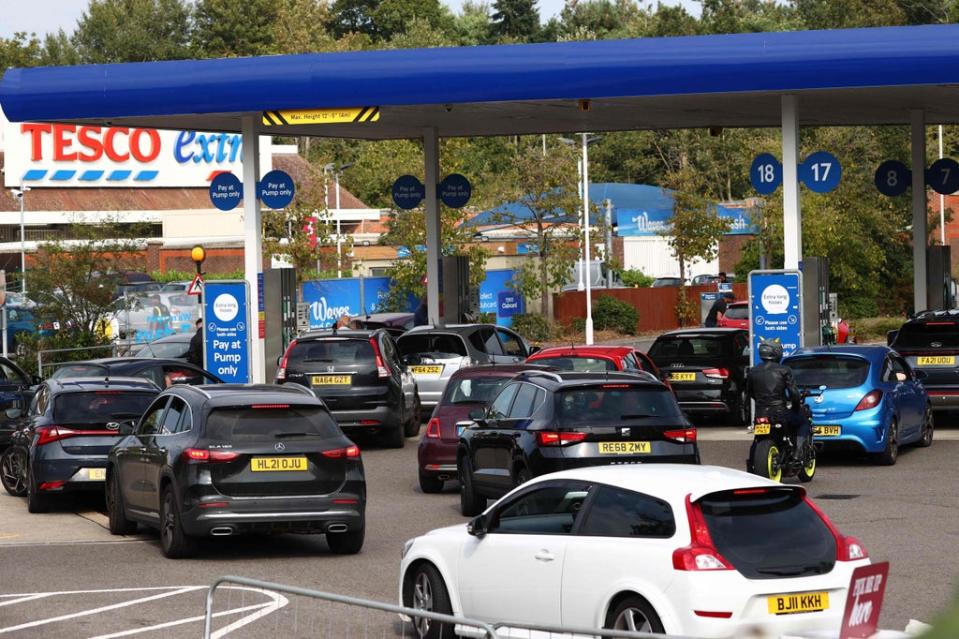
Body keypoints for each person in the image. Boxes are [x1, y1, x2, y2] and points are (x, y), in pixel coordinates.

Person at [745, 340, 811, 460]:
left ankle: (752, 462)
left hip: (761, 415)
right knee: (803, 421)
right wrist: (796, 407)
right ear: (777, 353)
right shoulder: (784, 370)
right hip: (780, 413)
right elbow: (794, 393)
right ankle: (798, 452)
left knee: (757, 438)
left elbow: (750, 393)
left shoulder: (753, 371)